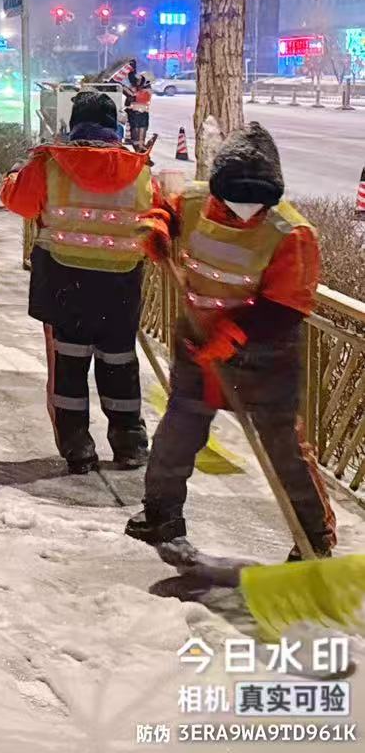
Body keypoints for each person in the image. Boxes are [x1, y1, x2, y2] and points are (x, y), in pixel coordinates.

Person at [127, 124, 335, 558]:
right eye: (233, 201)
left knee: (282, 447)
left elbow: (286, 306)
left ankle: (312, 537)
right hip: (197, 342)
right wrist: (156, 228)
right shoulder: (194, 202)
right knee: (178, 432)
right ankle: (161, 513)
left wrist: (233, 335)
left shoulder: (291, 233)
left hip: (266, 356)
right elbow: (161, 206)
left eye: (256, 204)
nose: (244, 211)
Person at [0, 91, 157, 474]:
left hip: (65, 279)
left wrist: (12, 178)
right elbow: (158, 214)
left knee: (69, 366)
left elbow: (20, 202)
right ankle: (129, 443)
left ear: (75, 125)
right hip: (121, 283)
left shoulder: (52, 164)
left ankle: (78, 447)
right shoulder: (138, 169)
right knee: (119, 361)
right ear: (115, 126)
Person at [126, 75, 152, 150]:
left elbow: (140, 98)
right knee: (136, 129)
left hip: (141, 112)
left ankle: (140, 145)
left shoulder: (146, 91)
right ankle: (138, 145)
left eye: (139, 80)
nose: (137, 82)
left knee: (141, 129)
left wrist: (132, 94)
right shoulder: (135, 88)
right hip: (136, 112)